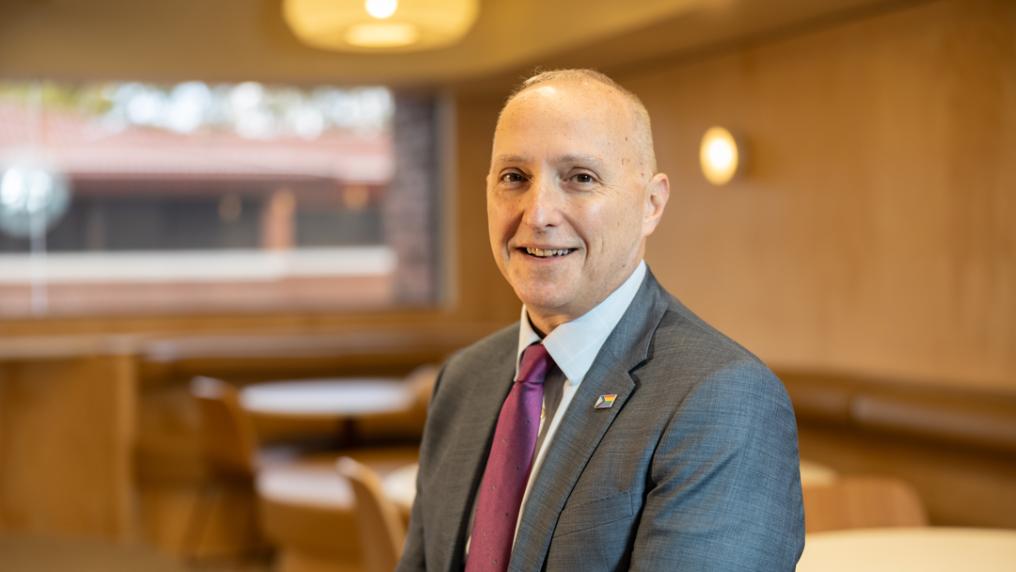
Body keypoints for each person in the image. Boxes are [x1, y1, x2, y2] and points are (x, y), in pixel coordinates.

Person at [397, 69, 804, 571]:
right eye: (514, 178)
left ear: (651, 204)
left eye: (580, 178)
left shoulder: (722, 398)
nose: (538, 214)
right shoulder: (464, 380)